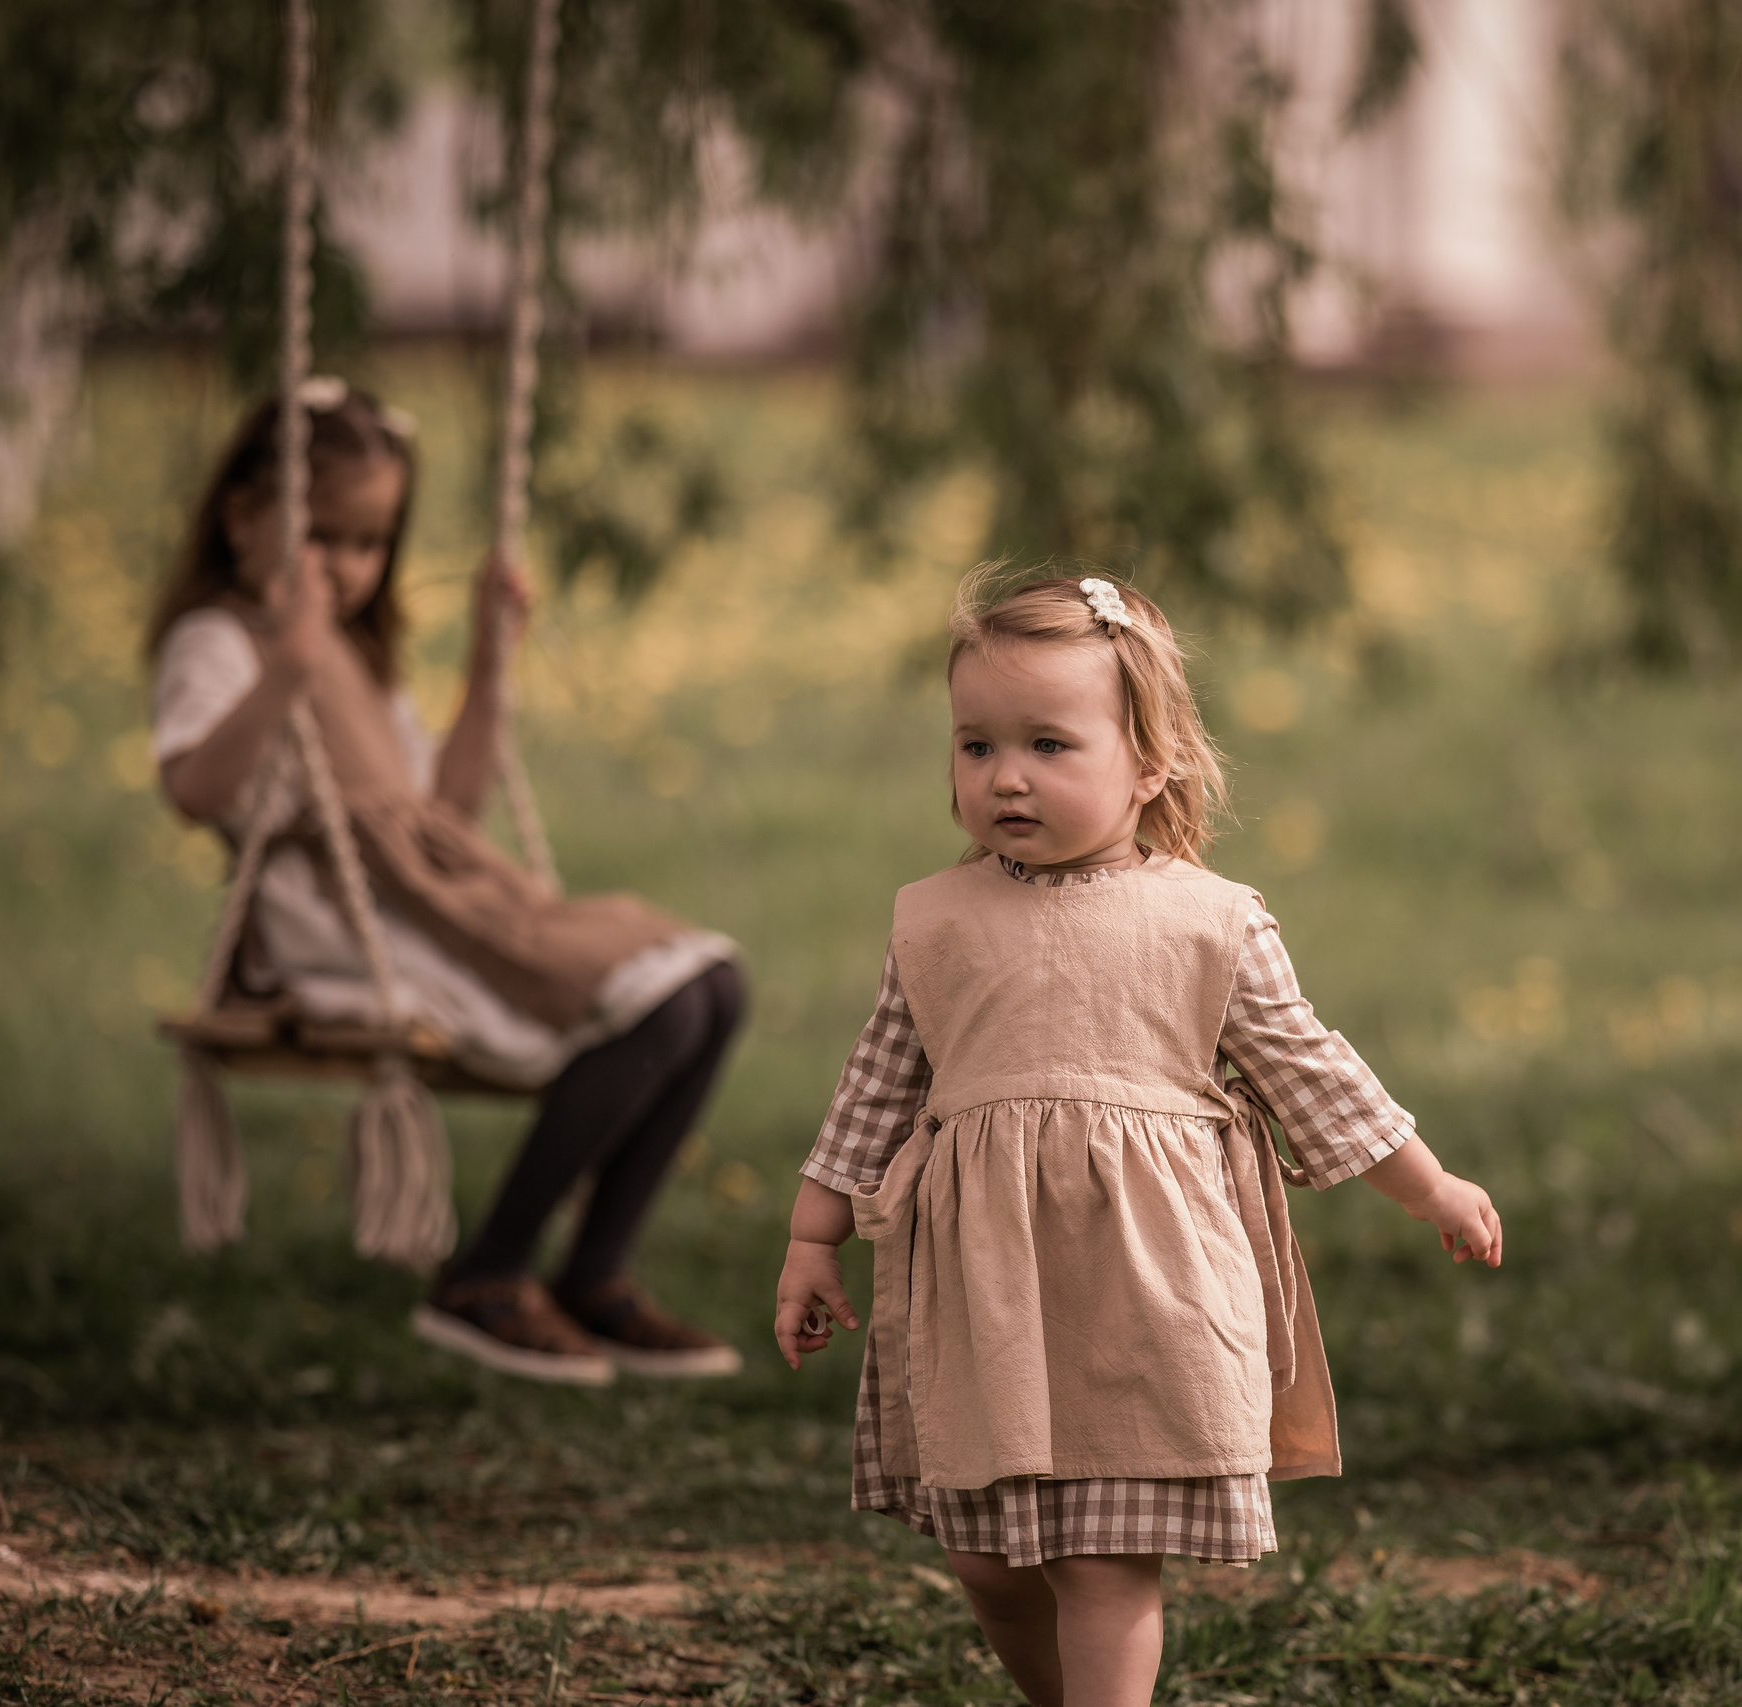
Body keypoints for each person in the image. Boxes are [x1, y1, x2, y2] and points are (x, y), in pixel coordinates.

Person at [772, 570, 1502, 1706]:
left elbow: (1311, 1071)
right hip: (988, 1295)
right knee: (988, 1563)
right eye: (976, 745)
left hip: (1146, 1291)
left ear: (1149, 761)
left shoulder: (1208, 921)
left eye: (1049, 745)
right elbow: (873, 1091)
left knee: (1103, 1562)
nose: (1006, 776)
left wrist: (1429, 1185)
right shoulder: (935, 921)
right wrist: (812, 1239)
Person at [149, 378, 747, 1387]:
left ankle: (593, 1275)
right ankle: (488, 1274)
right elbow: (193, 788)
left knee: (715, 990)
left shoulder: (356, 654)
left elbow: (445, 811)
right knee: (658, 1006)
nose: (348, 566)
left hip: (430, 899)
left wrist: (487, 657)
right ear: (243, 517)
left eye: (371, 542)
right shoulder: (218, 641)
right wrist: (285, 669)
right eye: (323, 536)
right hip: (341, 928)